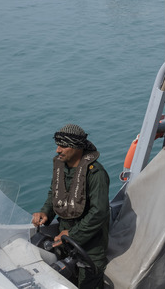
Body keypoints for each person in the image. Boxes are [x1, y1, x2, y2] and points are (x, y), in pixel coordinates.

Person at [32, 123, 110, 289]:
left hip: (91, 246)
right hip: (65, 240)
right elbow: (55, 193)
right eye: (57, 145)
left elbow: (99, 212)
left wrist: (73, 234)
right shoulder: (61, 167)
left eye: (63, 146)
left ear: (77, 147)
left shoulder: (95, 173)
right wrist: (46, 212)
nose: (58, 150)